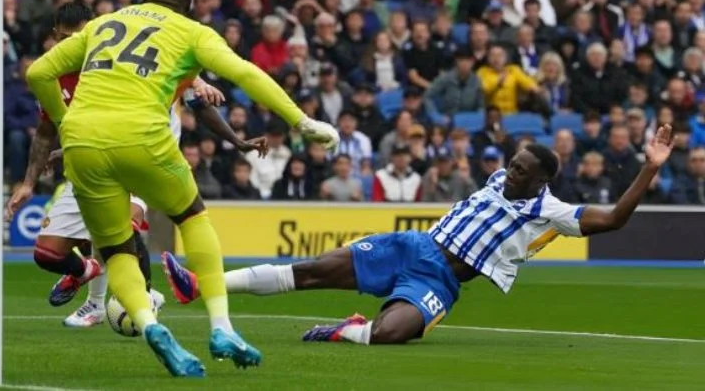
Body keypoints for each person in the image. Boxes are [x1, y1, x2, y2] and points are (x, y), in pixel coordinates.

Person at [26, 0, 338, 376]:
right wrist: (302, 121)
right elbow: (247, 74)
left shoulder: (102, 23)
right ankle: (221, 327)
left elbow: (39, 73)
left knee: (116, 249)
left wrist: (67, 123)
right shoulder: (191, 31)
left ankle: (149, 324)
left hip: (82, 144)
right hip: (143, 139)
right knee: (193, 219)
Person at [162, 125, 675, 345]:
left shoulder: (550, 210)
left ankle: (347, 331)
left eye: (521, 169)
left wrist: (648, 169)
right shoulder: (498, 177)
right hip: (413, 245)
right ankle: (201, 285)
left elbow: (612, 221)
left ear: (542, 179)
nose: (509, 172)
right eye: (511, 164)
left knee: (390, 334)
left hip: (440, 279)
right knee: (314, 270)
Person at [6, 3, 267, 328]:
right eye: (64, 39)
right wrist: (32, 179)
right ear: (54, 38)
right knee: (48, 255)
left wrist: (229, 128)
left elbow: (196, 100)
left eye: (80, 37)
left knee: (122, 226)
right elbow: (50, 130)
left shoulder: (129, 63)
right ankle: (89, 276)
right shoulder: (57, 76)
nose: (73, 45)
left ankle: (141, 295)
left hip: (145, 159)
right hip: (92, 163)